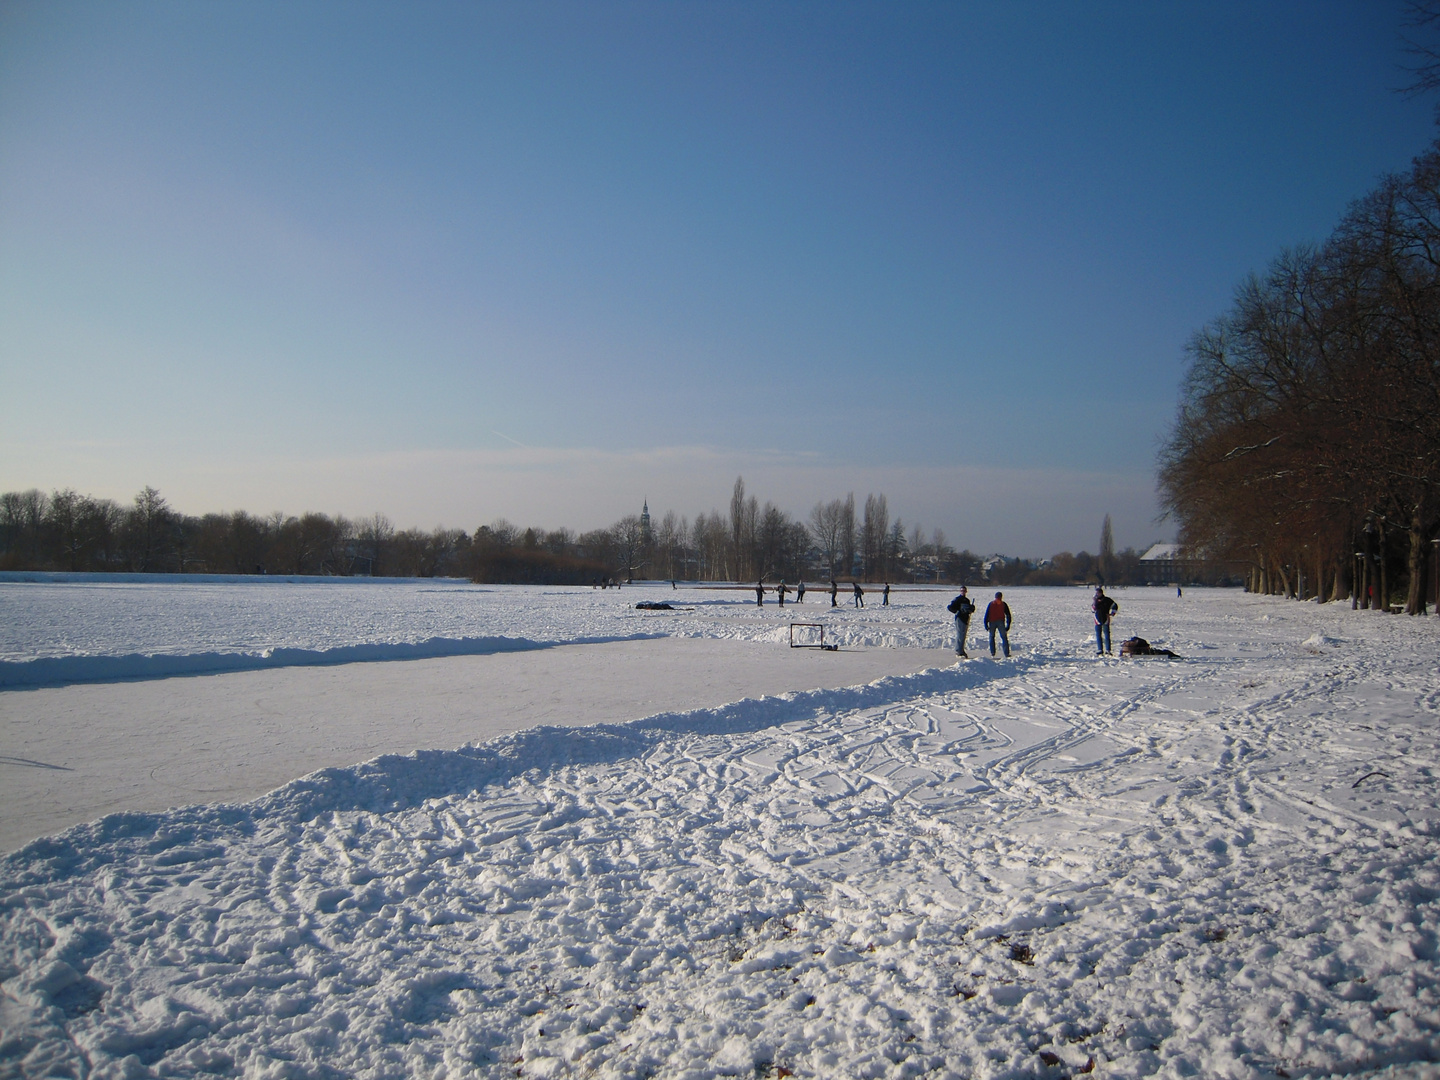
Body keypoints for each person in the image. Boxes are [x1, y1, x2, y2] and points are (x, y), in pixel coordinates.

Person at [947, 586, 975, 657]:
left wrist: (971, 609)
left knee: (963, 635)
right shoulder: (957, 599)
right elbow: (950, 607)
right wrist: (957, 611)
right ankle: (958, 651)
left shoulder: (967, 600)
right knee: (960, 635)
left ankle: (961, 650)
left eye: (964, 591)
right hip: (960, 619)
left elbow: (969, 610)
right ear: (960, 591)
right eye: (962, 591)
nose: (963, 592)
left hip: (965, 619)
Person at [984, 591, 1012, 657]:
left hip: (992, 622)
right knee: (1004, 637)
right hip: (1000, 622)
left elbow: (987, 614)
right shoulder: (1003, 604)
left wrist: (986, 624)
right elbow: (1008, 615)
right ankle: (1006, 653)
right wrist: (1008, 624)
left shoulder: (991, 604)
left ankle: (992, 653)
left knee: (991, 637)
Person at [1092, 586, 1118, 655]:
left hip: (1105, 618)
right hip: (1097, 619)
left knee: (1106, 634)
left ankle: (1108, 650)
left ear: (1101, 593)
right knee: (1098, 635)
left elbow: (1114, 605)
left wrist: (1113, 613)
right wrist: (1095, 602)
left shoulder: (1107, 600)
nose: (1097, 594)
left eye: (1098, 593)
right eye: (1096, 593)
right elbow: (1093, 609)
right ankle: (1100, 649)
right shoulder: (1095, 600)